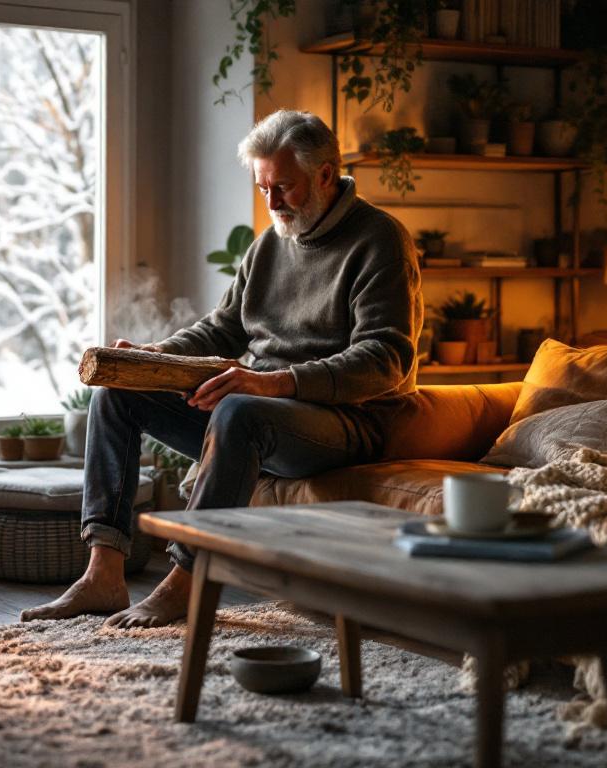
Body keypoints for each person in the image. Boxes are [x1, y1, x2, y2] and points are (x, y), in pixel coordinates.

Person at [21, 110, 422, 628]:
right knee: (117, 394)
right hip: (266, 412)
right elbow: (222, 328)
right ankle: (104, 575)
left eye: (284, 187)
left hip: (346, 421)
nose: (272, 203)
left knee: (239, 411)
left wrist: (273, 382)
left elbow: (385, 360)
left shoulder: (380, 241)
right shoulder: (268, 247)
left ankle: (188, 582)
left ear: (325, 174)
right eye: (263, 189)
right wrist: (152, 359)